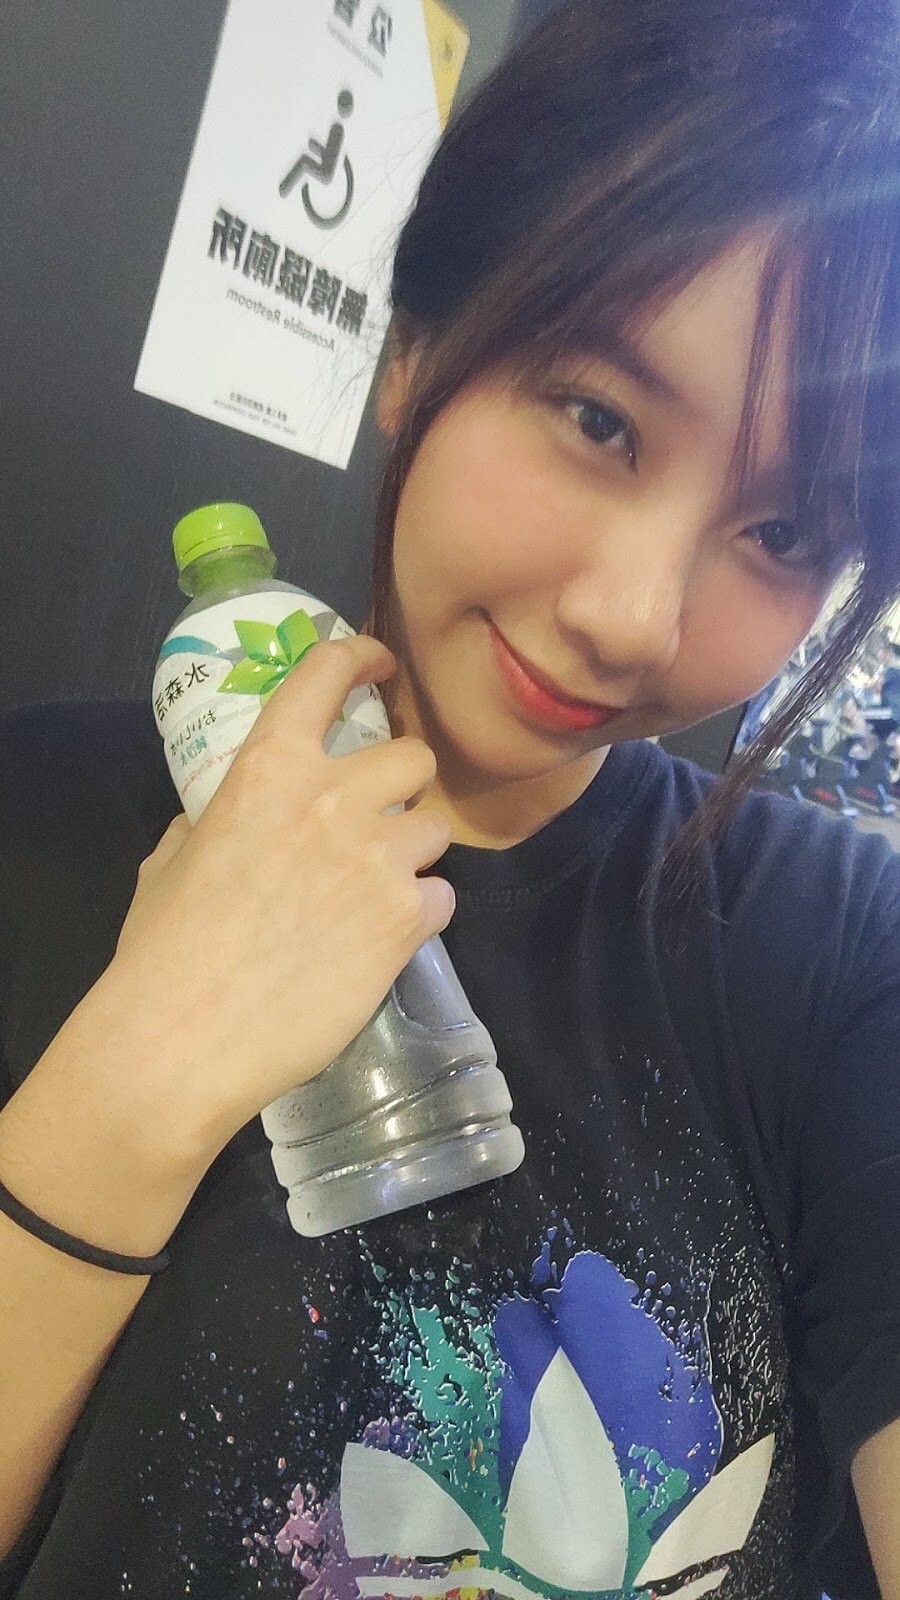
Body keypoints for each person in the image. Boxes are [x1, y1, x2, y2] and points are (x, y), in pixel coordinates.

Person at [0, 2, 898, 1597]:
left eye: (780, 534)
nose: (632, 615)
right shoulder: (29, 831)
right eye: (600, 420)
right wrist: (136, 1072)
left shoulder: (835, 954)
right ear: (413, 347)